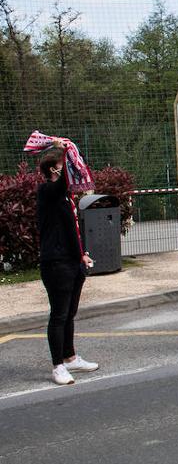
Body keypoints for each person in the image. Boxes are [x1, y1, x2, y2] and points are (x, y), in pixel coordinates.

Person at [36, 142, 98, 385]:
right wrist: (65, 149)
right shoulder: (47, 192)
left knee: (70, 313)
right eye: (64, 166)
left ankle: (70, 357)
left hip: (72, 262)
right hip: (55, 263)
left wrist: (81, 254)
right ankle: (58, 366)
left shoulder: (64, 197)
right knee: (59, 315)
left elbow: (71, 230)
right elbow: (65, 181)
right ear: (54, 170)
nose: (68, 170)